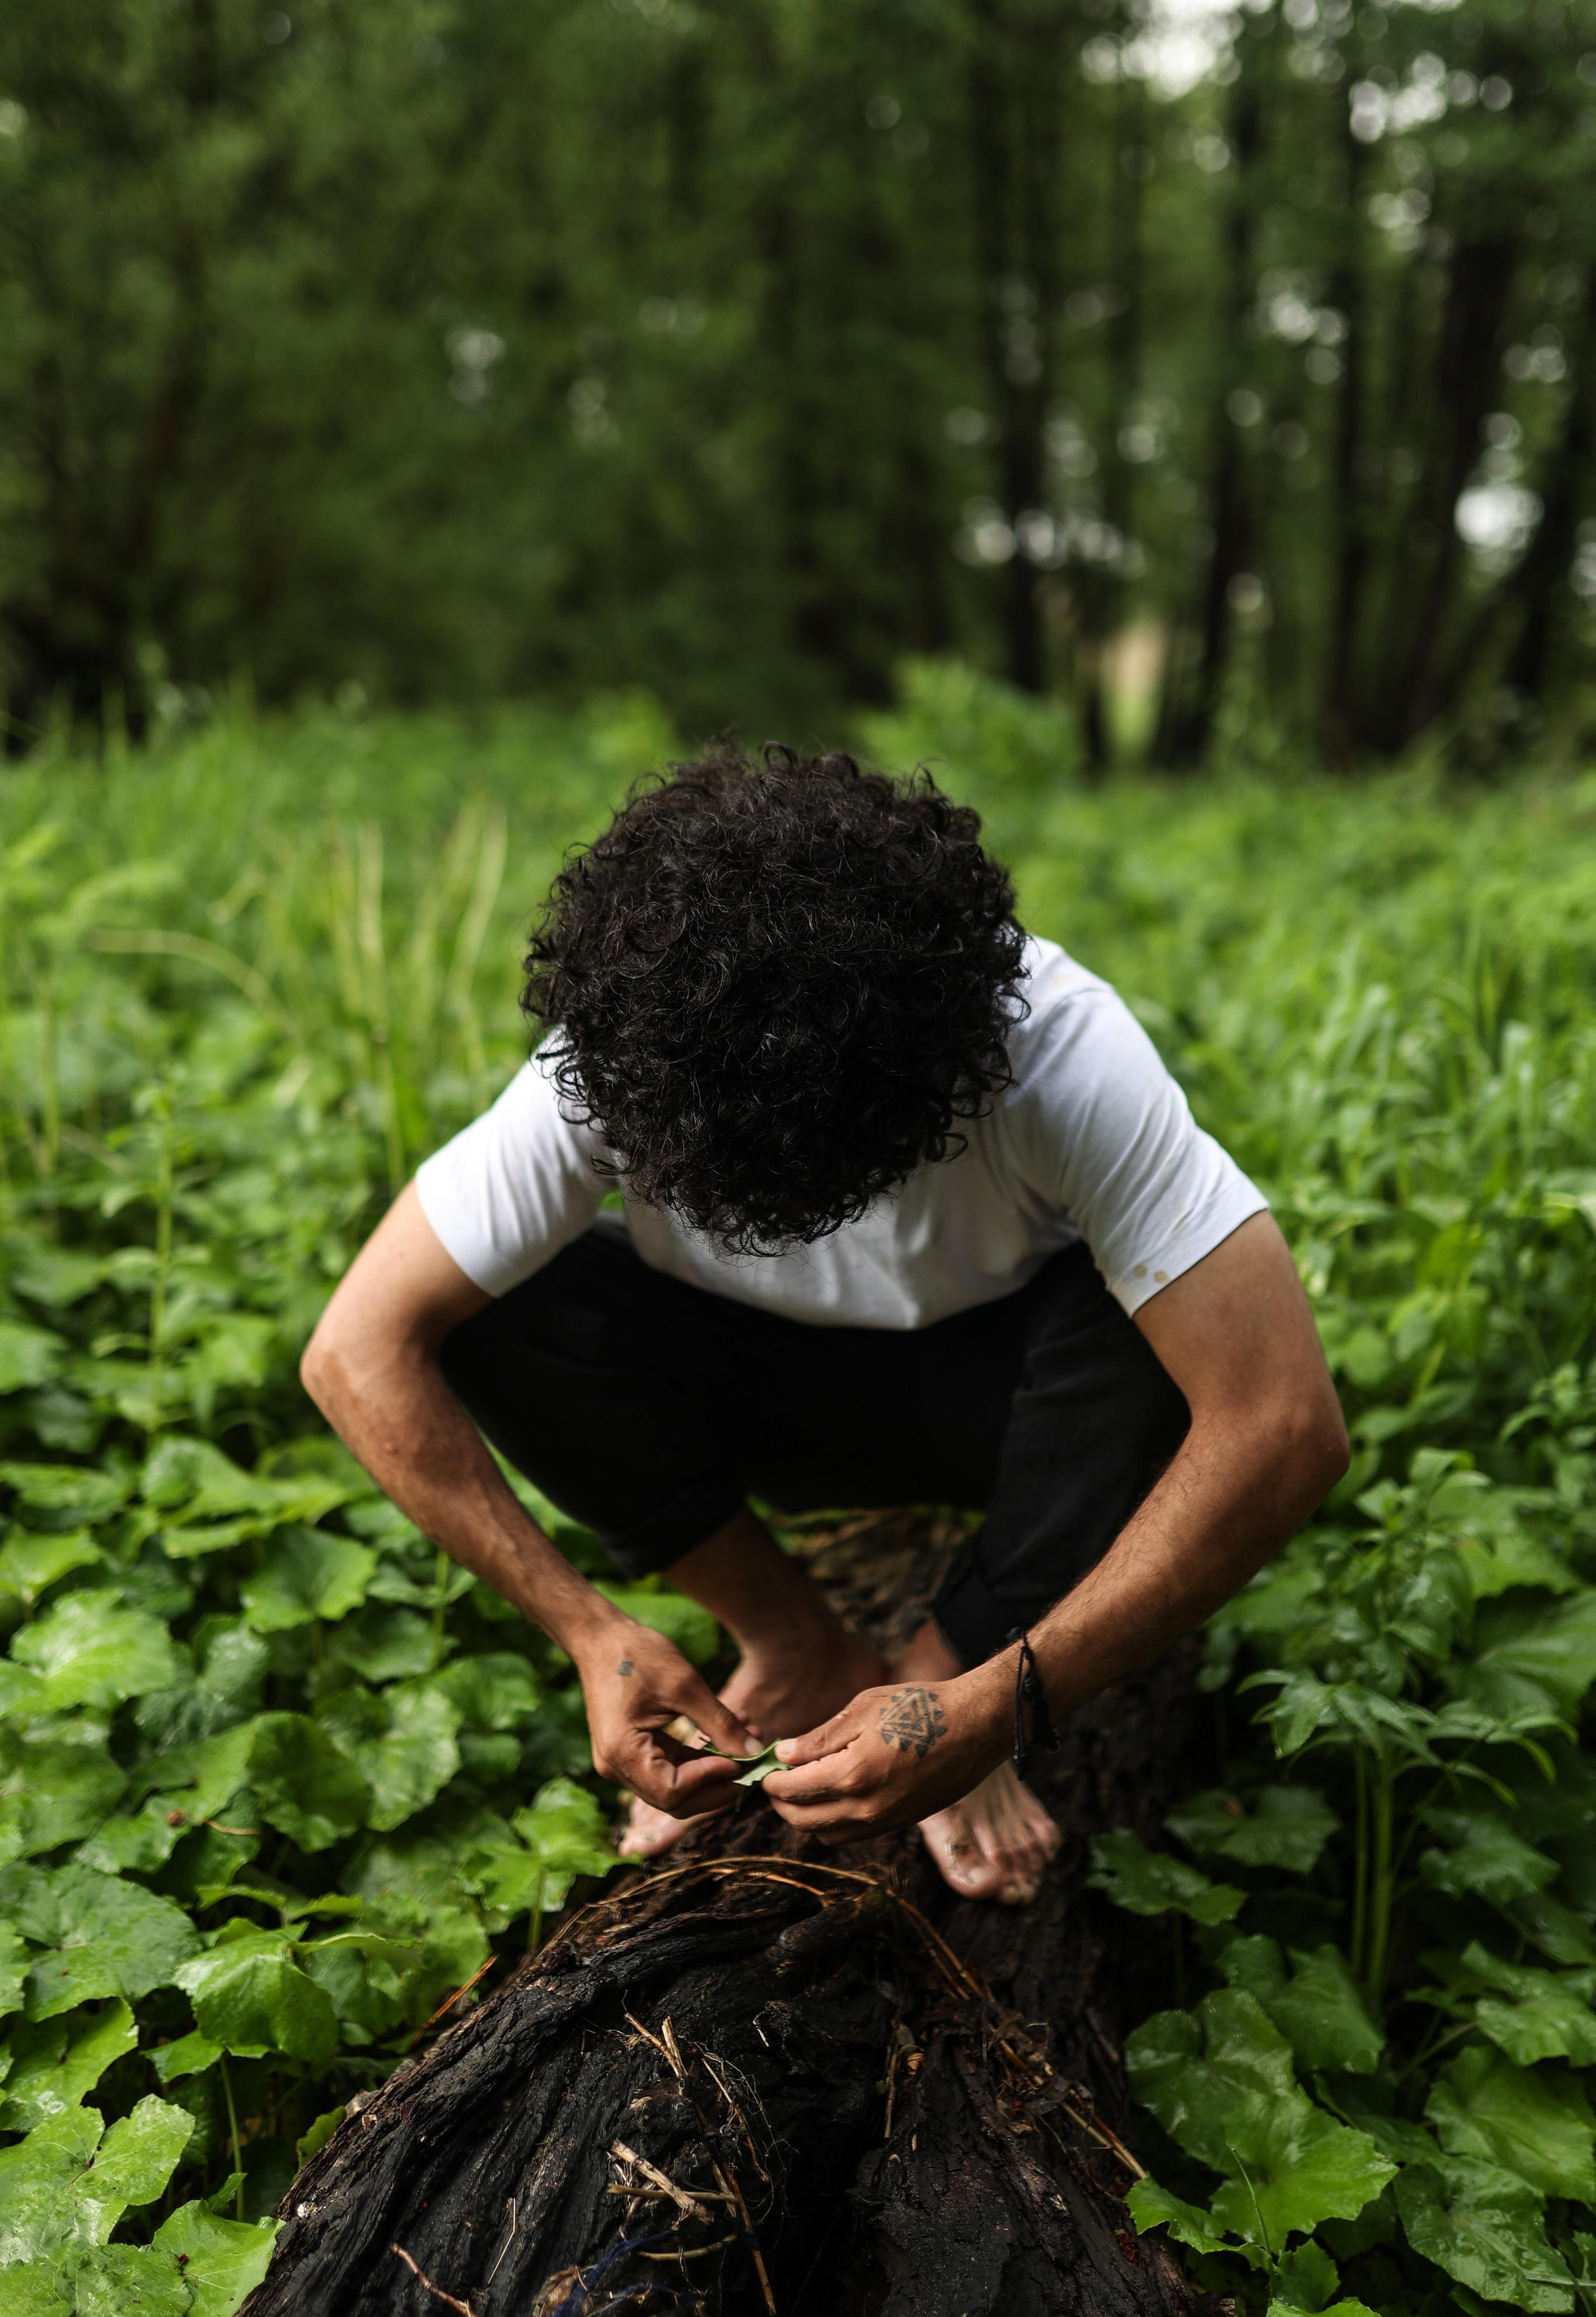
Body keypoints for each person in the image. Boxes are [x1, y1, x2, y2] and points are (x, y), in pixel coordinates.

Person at [302, 747, 1348, 1904]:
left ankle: (940, 1658)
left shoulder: (1058, 1054)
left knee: (1155, 1322)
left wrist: (993, 1704)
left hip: (1013, 1409)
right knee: (501, 1312)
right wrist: (591, 1633)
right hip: (758, 1400)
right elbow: (357, 1349)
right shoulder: (616, 1061)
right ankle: (794, 1638)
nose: (801, 1223)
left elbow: (1284, 1422)